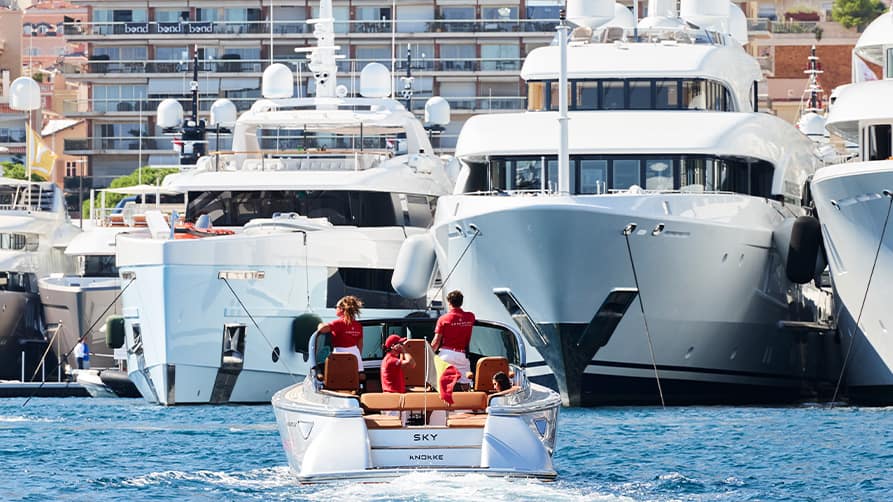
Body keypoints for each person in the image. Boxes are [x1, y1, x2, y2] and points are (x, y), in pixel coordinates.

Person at [433, 290, 475, 390]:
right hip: (461, 355)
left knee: (441, 382)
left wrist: (429, 353)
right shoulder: (470, 317)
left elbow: (436, 341)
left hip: (446, 354)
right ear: (461, 302)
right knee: (466, 382)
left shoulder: (443, 319)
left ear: (449, 303)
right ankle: (467, 401)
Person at [317, 295, 365, 373]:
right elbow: (360, 345)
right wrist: (357, 357)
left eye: (336, 307)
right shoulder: (358, 325)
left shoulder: (339, 323)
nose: (335, 309)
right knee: (355, 377)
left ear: (342, 309)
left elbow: (322, 329)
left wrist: (319, 324)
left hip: (339, 355)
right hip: (355, 356)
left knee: (339, 378)